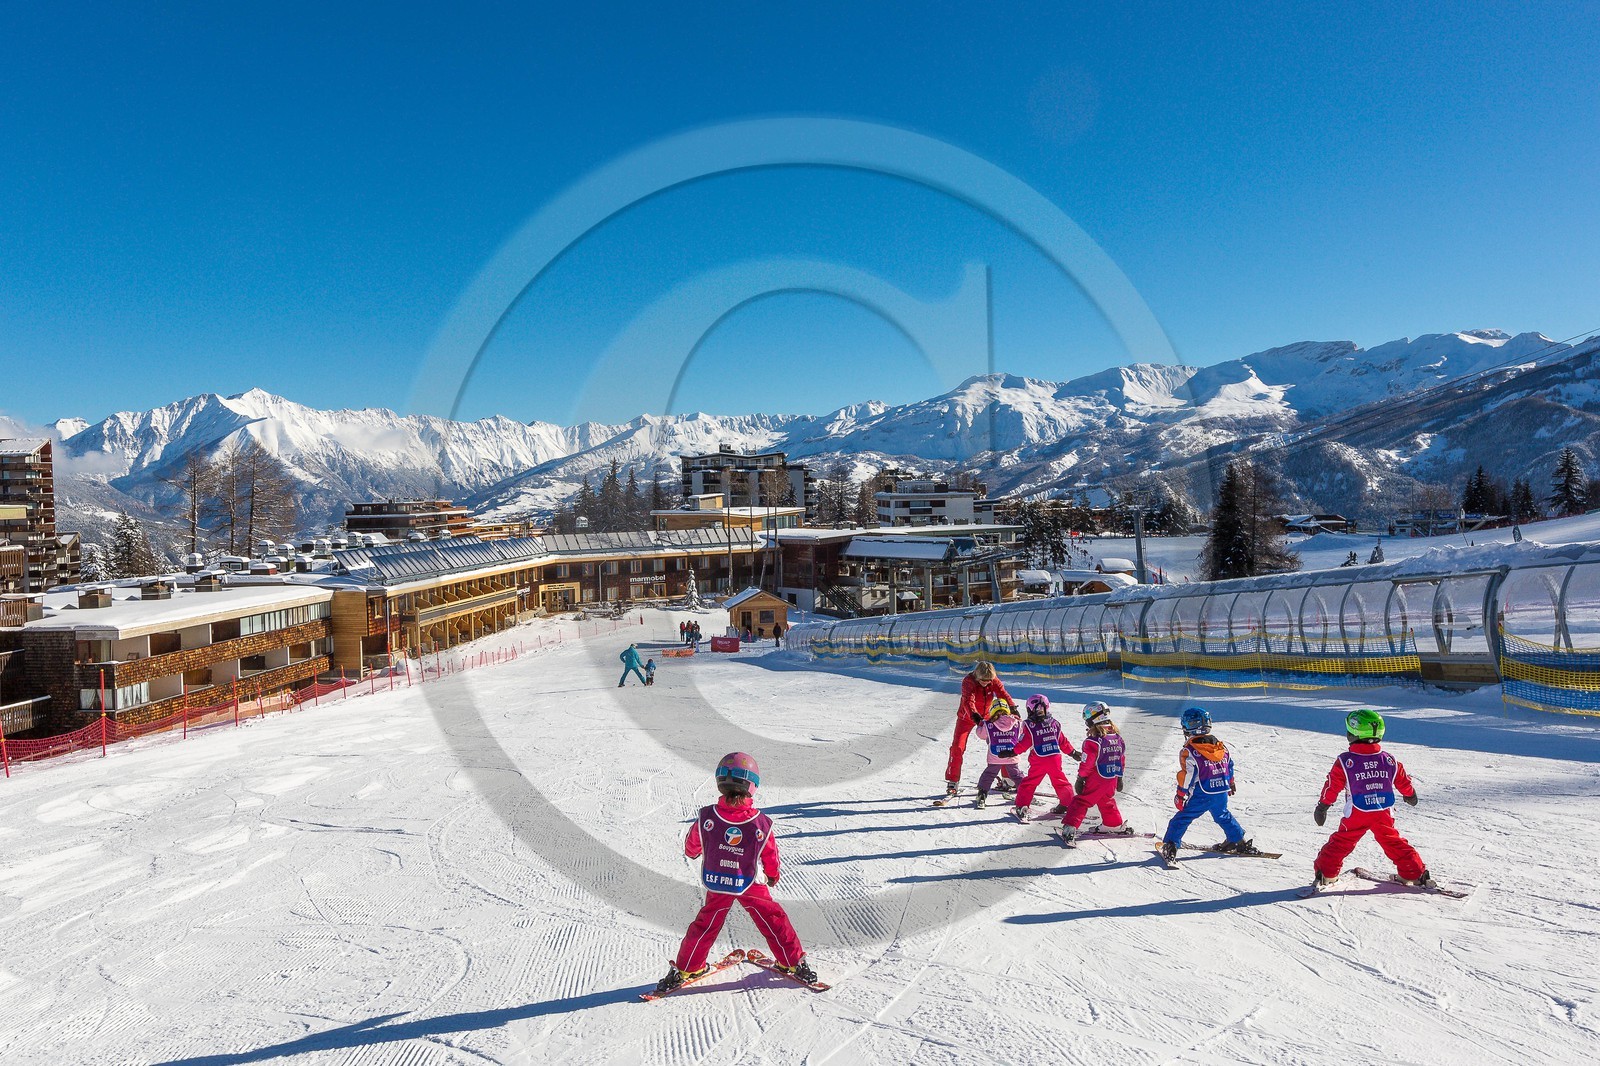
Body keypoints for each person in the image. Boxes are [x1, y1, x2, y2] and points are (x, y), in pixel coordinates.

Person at [654, 752, 818, 995]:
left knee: (706, 922)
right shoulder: (759, 823)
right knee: (773, 919)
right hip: (749, 882)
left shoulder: (708, 816)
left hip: (718, 879)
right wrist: (772, 874)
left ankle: (688, 967)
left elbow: (693, 844)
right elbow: (769, 853)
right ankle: (792, 962)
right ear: (752, 785)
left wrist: (694, 851)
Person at [1311, 709, 1434, 889]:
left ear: (1353, 734)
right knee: (1392, 840)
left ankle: (1327, 874)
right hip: (1383, 810)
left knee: (1342, 841)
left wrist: (1323, 806)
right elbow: (1402, 779)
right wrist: (1410, 794)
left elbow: (1332, 785)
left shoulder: (1346, 761)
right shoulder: (1388, 760)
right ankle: (1414, 872)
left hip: (1357, 812)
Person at [1159, 706, 1264, 862]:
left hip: (1203, 793)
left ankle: (1170, 845)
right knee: (1222, 814)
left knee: (1182, 818)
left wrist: (1181, 794)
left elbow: (1187, 776)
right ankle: (1238, 840)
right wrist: (1230, 781)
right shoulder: (1220, 746)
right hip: (1221, 790)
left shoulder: (1189, 751)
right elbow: (1229, 765)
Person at [1059, 701, 1130, 845]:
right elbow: (1121, 759)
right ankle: (1113, 823)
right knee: (1106, 800)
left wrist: (1081, 778)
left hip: (1097, 778)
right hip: (1111, 777)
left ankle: (1070, 827)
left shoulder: (1092, 741)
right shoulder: (1117, 738)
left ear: (1092, 719)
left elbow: (1087, 763)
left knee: (1081, 801)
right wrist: (1119, 777)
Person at [944, 661, 1017, 799]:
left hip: (989, 717)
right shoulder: (968, 681)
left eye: (988, 681)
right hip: (967, 717)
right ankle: (953, 781)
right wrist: (975, 717)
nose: (986, 683)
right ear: (977, 676)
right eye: (983, 680)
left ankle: (1008, 779)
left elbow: (1003, 694)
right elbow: (968, 700)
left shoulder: (993, 679)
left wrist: (1013, 709)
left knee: (1002, 743)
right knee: (957, 747)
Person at [1012, 694, 1082, 821]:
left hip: (1039, 760)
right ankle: (1068, 803)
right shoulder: (1054, 723)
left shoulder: (1030, 726)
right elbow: (1063, 741)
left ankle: (1022, 806)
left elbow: (1024, 743)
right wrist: (1072, 752)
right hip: (1054, 758)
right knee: (1060, 781)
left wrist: (1012, 752)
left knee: (1029, 783)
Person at [971, 698, 1025, 808]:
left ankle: (982, 794)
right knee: (1016, 775)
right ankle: (1025, 794)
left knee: (989, 774)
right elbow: (1023, 731)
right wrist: (1018, 717)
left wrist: (980, 724)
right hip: (1011, 755)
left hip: (995, 756)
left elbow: (981, 735)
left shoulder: (989, 724)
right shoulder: (1016, 722)